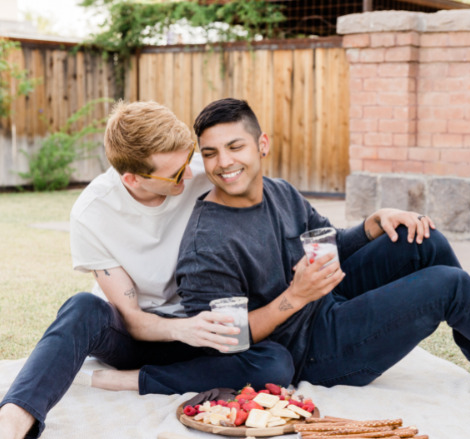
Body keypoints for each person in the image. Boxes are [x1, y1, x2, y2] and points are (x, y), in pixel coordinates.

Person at [176, 97, 470, 388]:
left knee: (420, 239)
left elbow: (327, 244)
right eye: (211, 153)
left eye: (235, 146)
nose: (223, 162)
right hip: (310, 352)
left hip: (327, 302)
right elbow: (224, 340)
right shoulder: (208, 240)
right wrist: (295, 297)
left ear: (262, 145)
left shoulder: (280, 191)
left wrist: (373, 224)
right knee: (447, 285)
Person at [0, 101, 293, 439]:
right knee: (82, 307)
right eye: (176, 173)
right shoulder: (92, 213)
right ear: (133, 179)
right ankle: (12, 421)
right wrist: (183, 329)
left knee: (275, 362)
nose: (190, 173)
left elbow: (257, 197)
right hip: (139, 334)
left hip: (201, 328)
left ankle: (130, 380)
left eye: (188, 160)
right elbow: (132, 318)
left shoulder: (199, 173)